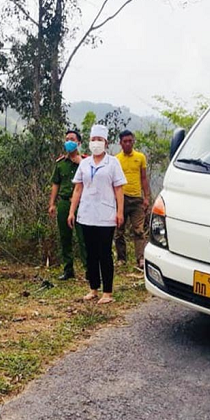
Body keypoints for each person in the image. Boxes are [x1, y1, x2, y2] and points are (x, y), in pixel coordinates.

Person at [68, 124, 126, 305]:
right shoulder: (85, 163)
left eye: (99, 140)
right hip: (86, 214)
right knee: (90, 253)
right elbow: (78, 189)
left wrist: (120, 212)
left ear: (106, 143)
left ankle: (107, 292)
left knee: (104, 253)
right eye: (93, 139)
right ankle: (93, 288)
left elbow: (119, 189)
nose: (96, 143)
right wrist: (72, 211)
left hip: (106, 215)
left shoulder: (113, 163)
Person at [49, 130, 88, 280]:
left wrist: (80, 162)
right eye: (66, 139)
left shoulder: (85, 162)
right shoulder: (60, 164)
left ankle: (88, 270)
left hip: (82, 203)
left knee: (83, 237)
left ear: (79, 143)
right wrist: (52, 204)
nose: (68, 142)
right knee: (65, 237)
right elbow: (55, 184)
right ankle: (68, 270)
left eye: (72, 139)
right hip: (64, 203)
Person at [114, 130, 150, 270]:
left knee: (139, 231)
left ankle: (140, 258)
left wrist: (146, 197)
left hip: (136, 199)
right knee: (119, 231)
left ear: (133, 141)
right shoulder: (116, 159)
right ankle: (121, 258)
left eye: (130, 141)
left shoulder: (140, 157)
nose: (128, 143)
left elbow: (144, 178)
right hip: (121, 199)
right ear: (120, 143)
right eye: (125, 141)